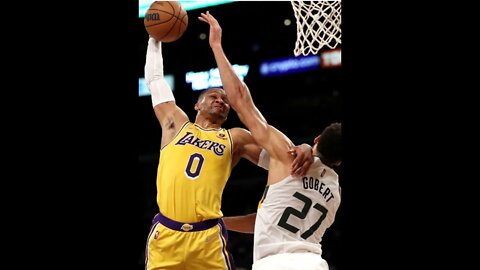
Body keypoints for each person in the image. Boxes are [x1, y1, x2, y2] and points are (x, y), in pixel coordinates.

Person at [143, 30, 315, 269]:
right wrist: (155, 39)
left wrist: (305, 148)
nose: (221, 100)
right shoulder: (176, 124)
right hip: (166, 234)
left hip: (208, 238)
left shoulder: (235, 138)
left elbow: (281, 159)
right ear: (197, 105)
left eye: (225, 100)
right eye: (213, 96)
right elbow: (155, 80)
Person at [199, 11, 342, 270]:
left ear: (317, 137)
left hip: (274, 264)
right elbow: (269, 220)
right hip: (314, 263)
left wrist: (217, 47)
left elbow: (241, 100)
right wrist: (219, 222)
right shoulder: (336, 192)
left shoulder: (287, 155)